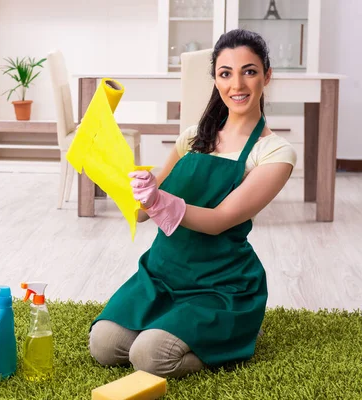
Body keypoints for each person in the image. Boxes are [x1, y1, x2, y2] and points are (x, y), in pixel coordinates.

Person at [88, 29, 297, 379]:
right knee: (104, 345)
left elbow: (219, 219)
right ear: (215, 79)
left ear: (267, 75)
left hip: (220, 284)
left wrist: (160, 200)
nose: (237, 84)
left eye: (249, 71)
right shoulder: (192, 138)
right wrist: (108, 167)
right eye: (225, 73)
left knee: (149, 357)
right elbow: (141, 212)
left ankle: (240, 330)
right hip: (163, 274)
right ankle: (180, 327)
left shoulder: (274, 153)